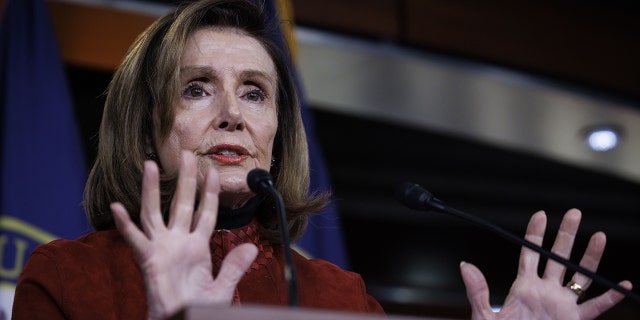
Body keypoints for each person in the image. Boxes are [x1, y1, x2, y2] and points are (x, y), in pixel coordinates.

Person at [11, 0, 632, 319]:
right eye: (196, 87)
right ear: (144, 122)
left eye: (255, 92)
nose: (232, 113)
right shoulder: (66, 279)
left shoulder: (341, 295)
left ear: (277, 132)